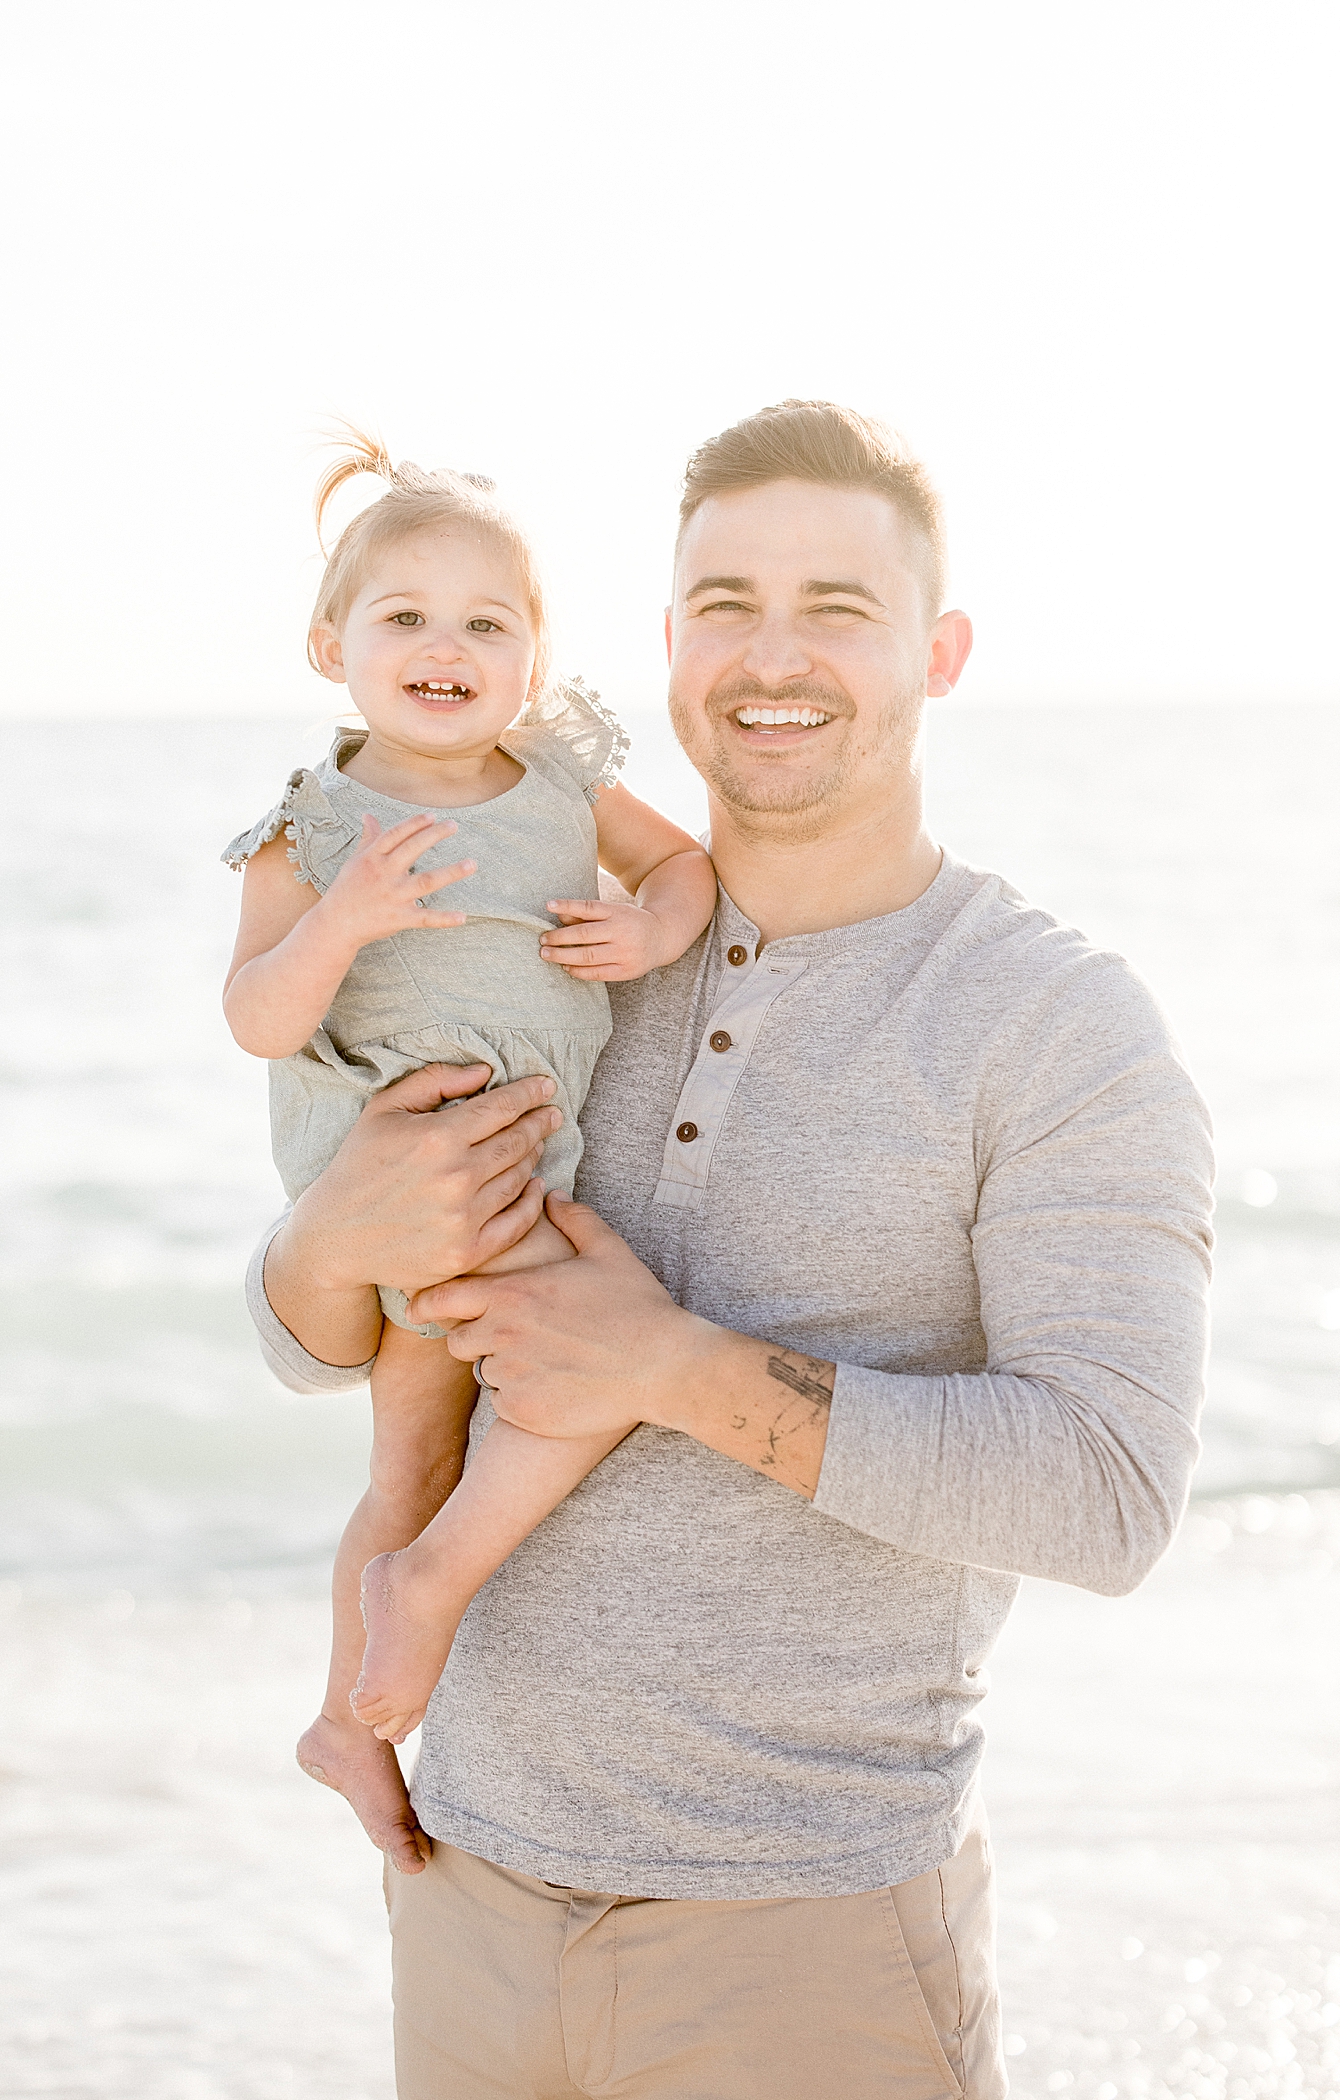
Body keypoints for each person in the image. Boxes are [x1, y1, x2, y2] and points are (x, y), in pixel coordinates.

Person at [247, 401, 1214, 2099]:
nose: (775, 655)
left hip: (807, 1935)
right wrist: (323, 1238)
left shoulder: (1058, 1022)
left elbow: (1109, 1495)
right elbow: (323, 1332)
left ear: (943, 650)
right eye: (725, 603)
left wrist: (679, 1373)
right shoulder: (553, 945)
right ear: (668, 644)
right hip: (464, 1890)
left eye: (838, 605)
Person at [221, 431, 716, 1866]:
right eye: (406, 618)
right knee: (595, 1367)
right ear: (333, 646)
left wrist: (649, 928)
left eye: (486, 624)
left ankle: (347, 1724)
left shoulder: (558, 780)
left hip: (514, 1170)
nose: (448, 648)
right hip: (410, 1166)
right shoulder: (314, 828)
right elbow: (257, 1015)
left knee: (415, 1450)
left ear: (536, 655)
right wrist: (344, 922)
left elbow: (681, 864)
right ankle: (423, 1597)